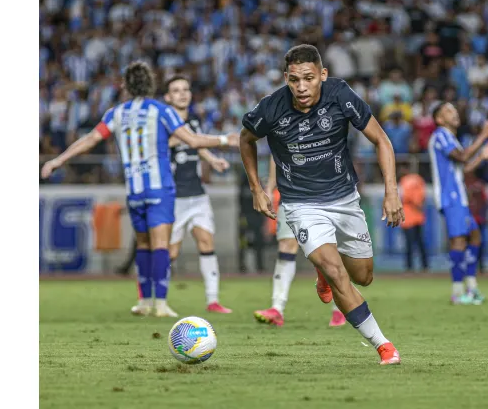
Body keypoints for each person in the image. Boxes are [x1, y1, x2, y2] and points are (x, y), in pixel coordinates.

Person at [239, 44, 403, 365]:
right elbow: (245, 139)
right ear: (286, 78)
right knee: (335, 269)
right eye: (294, 80)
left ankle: (324, 276)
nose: (301, 87)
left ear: (322, 75)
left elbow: (381, 139)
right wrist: (256, 188)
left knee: (363, 276)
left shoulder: (339, 94)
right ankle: (384, 345)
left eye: (309, 79)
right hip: (301, 205)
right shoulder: (271, 108)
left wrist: (391, 191)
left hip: (344, 200)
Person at [41, 61, 239, 317]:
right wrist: (225, 139)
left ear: (127, 86)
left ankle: (144, 301)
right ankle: (161, 304)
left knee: (143, 245)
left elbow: (90, 139)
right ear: (151, 84)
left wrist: (58, 160)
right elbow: (192, 139)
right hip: (160, 190)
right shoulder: (161, 110)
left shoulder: (116, 113)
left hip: (134, 191)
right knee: (159, 245)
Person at [162, 74, 233, 314]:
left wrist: (212, 161)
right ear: (167, 97)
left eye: (185, 89)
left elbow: (197, 144)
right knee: (171, 252)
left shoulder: (192, 121)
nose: (182, 93)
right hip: (173, 197)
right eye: (176, 90)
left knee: (206, 242)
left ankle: (213, 300)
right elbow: (179, 143)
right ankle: (156, 299)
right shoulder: (162, 122)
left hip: (197, 194)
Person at [253, 157, 346, 327]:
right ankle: (277, 308)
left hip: (323, 193)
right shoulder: (282, 129)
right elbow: (276, 152)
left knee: (328, 250)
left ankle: (340, 309)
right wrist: (270, 186)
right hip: (290, 193)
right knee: (286, 247)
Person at [428, 102, 488, 305]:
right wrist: (484, 135)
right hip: (450, 196)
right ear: (439, 119)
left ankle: (472, 288)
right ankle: (458, 293)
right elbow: (462, 156)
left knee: (475, 236)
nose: (455, 113)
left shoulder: (451, 139)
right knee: (459, 240)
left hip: (459, 195)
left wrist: (483, 156)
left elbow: (464, 167)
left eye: (454, 110)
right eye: (448, 111)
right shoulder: (441, 134)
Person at [398, 167, 429, 272]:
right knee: (420, 243)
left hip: (408, 218)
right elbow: (423, 196)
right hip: (418, 216)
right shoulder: (418, 179)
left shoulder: (404, 181)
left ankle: (409, 267)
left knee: (409, 244)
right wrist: (419, 205)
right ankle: (425, 266)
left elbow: (405, 197)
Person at [465, 171, 488, 273]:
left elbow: (485, 202)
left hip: (477, 218)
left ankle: (480, 265)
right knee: (467, 243)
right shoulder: (463, 184)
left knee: (478, 242)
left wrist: (485, 216)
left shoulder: (478, 185)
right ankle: (469, 265)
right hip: (468, 219)